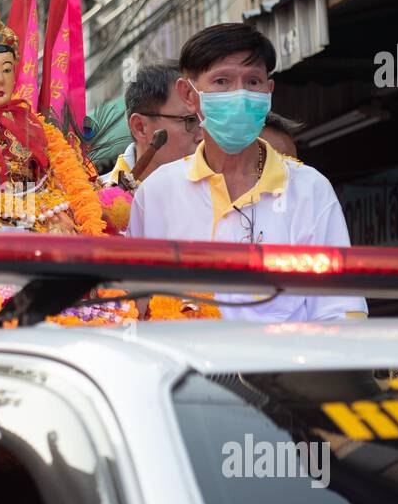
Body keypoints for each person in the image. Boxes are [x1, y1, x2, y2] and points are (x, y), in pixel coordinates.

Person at [127, 22, 366, 321]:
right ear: (188, 94)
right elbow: (133, 306)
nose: (239, 96)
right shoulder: (157, 193)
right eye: (222, 82)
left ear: (269, 91)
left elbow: (339, 312)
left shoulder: (309, 189)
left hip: (283, 365)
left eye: (253, 82)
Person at [103, 64, 199, 185]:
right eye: (190, 120)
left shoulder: (218, 195)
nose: (202, 136)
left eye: (205, 120)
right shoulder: (96, 200)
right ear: (140, 127)